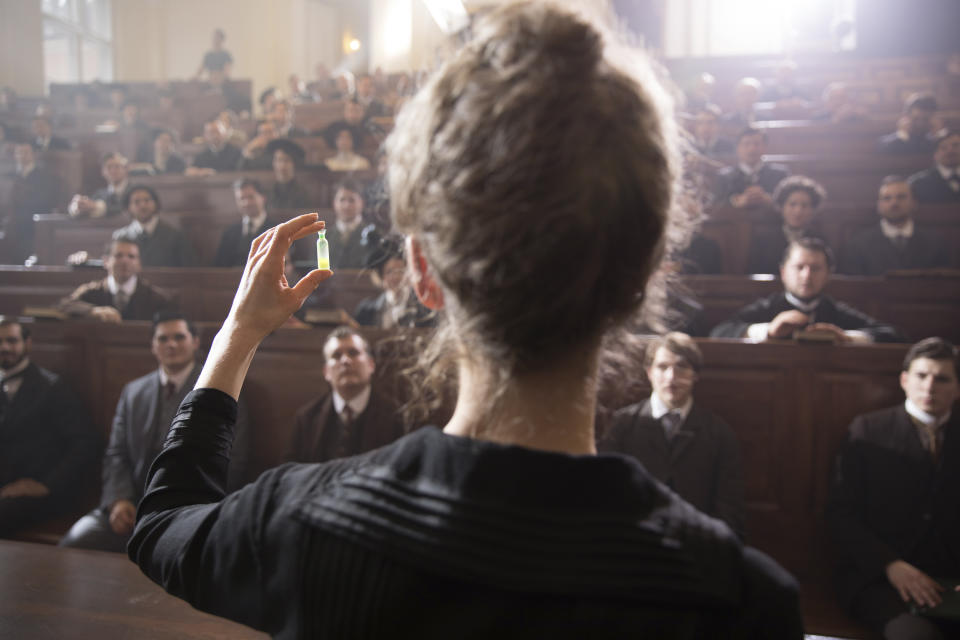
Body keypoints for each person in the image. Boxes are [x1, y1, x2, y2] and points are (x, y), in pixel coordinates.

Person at [127, 4, 803, 637]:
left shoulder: (299, 522)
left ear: (422, 270)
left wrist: (238, 334)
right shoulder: (743, 602)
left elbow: (163, 520)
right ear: (645, 276)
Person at [60, 312, 250, 552]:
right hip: (132, 504)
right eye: (163, 339)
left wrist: (184, 508)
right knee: (75, 542)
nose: (171, 344)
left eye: (179, 337)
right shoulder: (133, 392)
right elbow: (116, 454)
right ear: (153, 346)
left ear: (195, 342)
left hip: (190, 508)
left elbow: (235, 462)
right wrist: (119, 500)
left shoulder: (223, 391)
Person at [827, 337, 960, 640]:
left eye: (942, 379)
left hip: (951, 579)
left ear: (958, 388)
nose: (929, 387)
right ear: (904, 380)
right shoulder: (867, 431)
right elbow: (841, 515)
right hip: (881, 578)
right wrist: (890, 564)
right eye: (921, 376)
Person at [599, 333, 745, 538]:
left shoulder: (718, 433)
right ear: (649, 372)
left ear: (695, 375)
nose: (671, 377)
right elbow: (608, 496)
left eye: (682, 367)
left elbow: (729, 508)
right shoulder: (621, 425)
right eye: (662, 367)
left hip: (696, 544)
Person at [0, 317, 100, 538]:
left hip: (42, 492)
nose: (4, 347)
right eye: (0, 341)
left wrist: (46, 485)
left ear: (27, 344)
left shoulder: (52, 388)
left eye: (11, 341)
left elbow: (85, 443)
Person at [711, 237, 903, 343]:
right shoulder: (768, 306)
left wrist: (847, 337)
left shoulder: (834, 309)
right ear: (784, 272)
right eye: (799, 267)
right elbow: (719, 332)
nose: (807, 276)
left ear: (828, 274)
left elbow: (894, 336)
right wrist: (769, 330)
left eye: (816, 268)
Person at [285, 327, 404, 463]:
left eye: (353, 353)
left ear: (371, 365)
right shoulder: (306, 419)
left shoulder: (397, 416)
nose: (345, 361)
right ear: (326, 372)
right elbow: (290, 472)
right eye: (336, 355)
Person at [840, 176, 952, 275]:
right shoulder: (858, 244)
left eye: (901, 197)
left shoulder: (935, 243)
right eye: (887, 198)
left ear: (914, 202)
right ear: (879, 205)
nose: (894, 203)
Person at [58, 235, 172, 322]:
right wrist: (92, 311)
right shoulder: (92, 291)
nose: (125, 261)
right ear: (106, 261)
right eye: (119, 255)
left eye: (131, 256)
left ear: (139, 264)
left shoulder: (156, 298)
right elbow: (63, 305)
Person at [746, 175, 828, 274]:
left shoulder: (820, 240)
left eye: (804, 205)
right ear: (781, 207)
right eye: (792, 204)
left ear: (813, 210)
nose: (798, 211)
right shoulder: (763, 239)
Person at [111, 185, 195, 267]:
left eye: (147, 200)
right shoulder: (120, 236)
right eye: (137, 202)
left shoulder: (175, 235)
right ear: (128, 207)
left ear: (156, 203)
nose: (143, 205)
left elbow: (188, 270)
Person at [6, 142, 61, 263]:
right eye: (19, 153)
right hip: (12, 226)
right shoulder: (9, 176)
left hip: (33, 227)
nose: (22, 156)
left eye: (25, 152)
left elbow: (45, 201)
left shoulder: (44, 176)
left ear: (33, 155)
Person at [353, 249, 436, 328]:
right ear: (381, 277)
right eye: (389, 272)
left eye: (401, 271)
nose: (396, 277)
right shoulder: (366, 311)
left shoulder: (425, 310)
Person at [714, 128, 790, 209]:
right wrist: (734, 202)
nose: (752, 149)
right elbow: (716, 207)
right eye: (746, 144)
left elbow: (789, 202)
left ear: (765, 147)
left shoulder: (780, 174)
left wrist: (771, 200)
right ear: (738, 148)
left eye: (756, 144)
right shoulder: (724, 177)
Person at [214, 178, 272, 267]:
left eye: (251, 197)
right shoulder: (229, 233)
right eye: (241, 199)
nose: (246, 203)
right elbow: (219, 267)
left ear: (263, 198)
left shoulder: (276, 229)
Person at [323, 179, 379, 269]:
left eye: (351, 200)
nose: (346, 205)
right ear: (334, 203)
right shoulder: (324, 237)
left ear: (362, 203)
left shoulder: (374, 235)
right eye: (342, 200)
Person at [68, 152, 130, 218]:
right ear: (103, 172)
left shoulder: (134, 191)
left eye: (117, 166)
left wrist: (96, 207)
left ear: (126, 169)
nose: (113, 171)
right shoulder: (99, 194)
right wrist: (78, 206)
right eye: (109, 167)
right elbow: (85, 208)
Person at [908, 130, 960, 204]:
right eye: (943, 147)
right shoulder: (918, 183)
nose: (950, 150)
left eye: (956, 145)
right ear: (935, 154)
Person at [266, 138, 311, 210]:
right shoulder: (267, 192)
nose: (282, 165)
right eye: (279, 160)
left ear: (294, 164)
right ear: (273, 163)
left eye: (287, 160)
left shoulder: (302, 193)